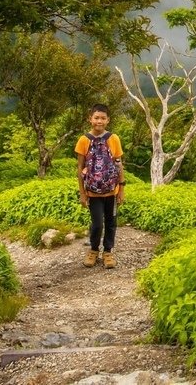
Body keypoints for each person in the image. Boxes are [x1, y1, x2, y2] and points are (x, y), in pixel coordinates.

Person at [75, 104, 125, 269]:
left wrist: (121, 189)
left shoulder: (114, 138)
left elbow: (118, 164)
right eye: (96, 117)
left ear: (108, 120)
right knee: (97, 224)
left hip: (112, 191)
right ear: (90, 119)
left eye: (103, 118)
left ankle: (108, 251)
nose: (99, 121)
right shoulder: (83, 140)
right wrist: (82, 194)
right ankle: (94, 249)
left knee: (111, 222)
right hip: (93, 192)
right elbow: (80, 168)